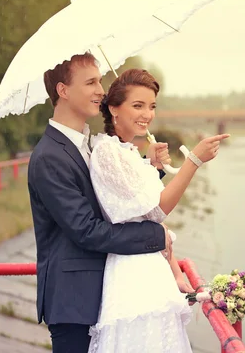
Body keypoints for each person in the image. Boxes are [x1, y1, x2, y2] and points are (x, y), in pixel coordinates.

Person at [27, 52, 174, 353]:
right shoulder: (49, 157)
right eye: (91, 82)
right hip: (74, 301)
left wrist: (152, 169)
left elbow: (113, 203)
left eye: (100, 81)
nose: (101, 90)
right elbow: (86, 230)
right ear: (63, 91)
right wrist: (155, 236)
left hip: (102, 294)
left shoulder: (86, 143)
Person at [87, 68, 230, 353]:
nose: (147, 114)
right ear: (113, 108)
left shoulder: (126, 151)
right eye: (137, 105)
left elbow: (145, 210)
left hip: (151, 268)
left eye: (151, 106)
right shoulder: (107, 152)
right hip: (133, 274)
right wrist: (193, 161)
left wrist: (152, 167)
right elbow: (157, 210)